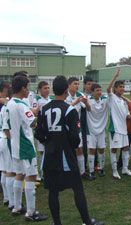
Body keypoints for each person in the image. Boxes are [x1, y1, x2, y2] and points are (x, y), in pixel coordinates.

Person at [35, 76, 104, 225]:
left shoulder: (44, 109)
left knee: (53, 191)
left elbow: (39, 134)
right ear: (66, 90)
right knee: (77, 187)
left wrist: (50, 142)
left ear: (53, 90)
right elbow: (75, 138)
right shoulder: (70, 110)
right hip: (66, 156)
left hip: (50, 156)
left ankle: (57, 222)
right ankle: (87, 221)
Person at [7, 75, 47, 221]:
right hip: (26, 146)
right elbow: (32, 123)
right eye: (27, 87)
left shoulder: (10, 103)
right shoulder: (22, 105)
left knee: (20, 174)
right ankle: (31, 212)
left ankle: (17, 206)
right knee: (31, 176)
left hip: (15, 145)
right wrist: (36, 115)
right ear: (23, 88)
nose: (28, 90)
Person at [107, 68, 131, 179]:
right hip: (115, 129)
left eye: (123, 87)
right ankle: (115, 171)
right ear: (115, 89)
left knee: (125, 148)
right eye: (120, 87)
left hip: (124, 129)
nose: (122, 89)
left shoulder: (124, 102)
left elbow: (126, 115)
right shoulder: (111, 97)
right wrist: (115, 76)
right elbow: (107, 88)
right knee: (114, 149)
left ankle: (125, 169)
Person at [65, 77, 91, 180]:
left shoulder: (80, 95)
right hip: (66, 128)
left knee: (79, 149)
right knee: (68, 151)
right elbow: (64, 111)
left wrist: (86, 102)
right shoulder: (64, 96)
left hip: (77, 127)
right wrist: (75, 102)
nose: (77, 85)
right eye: (75, 83)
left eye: (78, 84)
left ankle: (82, 172)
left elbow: (89, 109)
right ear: (69, 85)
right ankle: (68, 173)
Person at [86, 83, 108, 179]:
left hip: (102, 129)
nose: (99, 92)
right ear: (92, 91)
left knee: (102, 149)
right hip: (91, 129)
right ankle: (91, 171)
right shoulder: (88, 99)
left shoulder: (105, 99)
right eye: (97, 90)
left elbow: (111, 94)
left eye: (100, 90)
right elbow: (88, 108)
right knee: (91, 150)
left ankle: (101, 168)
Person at [32, 81, 52, 180]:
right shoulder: (37, 100)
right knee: (42, 152)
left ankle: (49, 172)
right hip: (42, 129)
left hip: (51, 129)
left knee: (50, 151)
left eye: (48, 88)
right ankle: (43, 173)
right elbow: (35, 114)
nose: (47, 90)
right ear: (39, 90)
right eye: (45, 88)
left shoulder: (51, 99)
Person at [0, 81, 10, 207]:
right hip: (4, 136)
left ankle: (6, 198)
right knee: (9, 170)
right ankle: (10, 199)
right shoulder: (7, 103)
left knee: (3, 169)